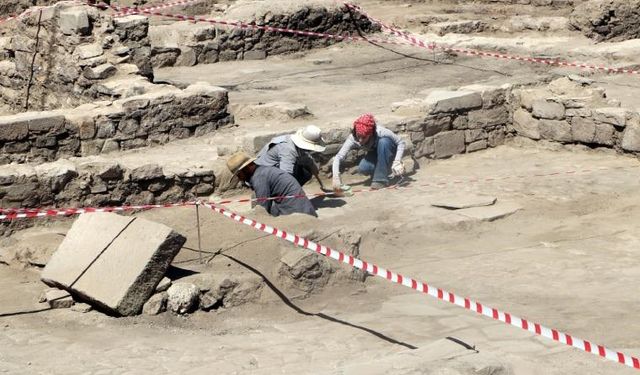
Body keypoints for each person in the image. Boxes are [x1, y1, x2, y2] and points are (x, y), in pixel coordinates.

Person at [226, 151, 317, 217]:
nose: (239, 178)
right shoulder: (263, 171)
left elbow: (263, 209)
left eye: (239, 174)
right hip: (303, 210)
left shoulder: (259, 178)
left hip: (300, 215)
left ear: (247, 168)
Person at [332, 113, 406, 192]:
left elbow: (401, 142)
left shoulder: (381, 132)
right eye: (358, 136)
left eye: (363, 137)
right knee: (363, 168)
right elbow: (338, 157)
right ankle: (383, 172)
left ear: (370, 134)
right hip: (376, 153)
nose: (360, 140)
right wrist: (336, 177)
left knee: (383, 142)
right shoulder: (352, 138)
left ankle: (380, 181)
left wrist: (397, 161)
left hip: (390, 151)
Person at [255, 125, 327, 189]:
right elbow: (286, 175)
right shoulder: (288, 149)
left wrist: (314, 169)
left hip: (273, 169)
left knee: (306, 172)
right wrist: (295, 192)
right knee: (290, 179)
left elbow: (308, 160)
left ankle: (288, 194)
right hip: (262, 175)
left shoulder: (296, 144)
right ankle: (280, 196)